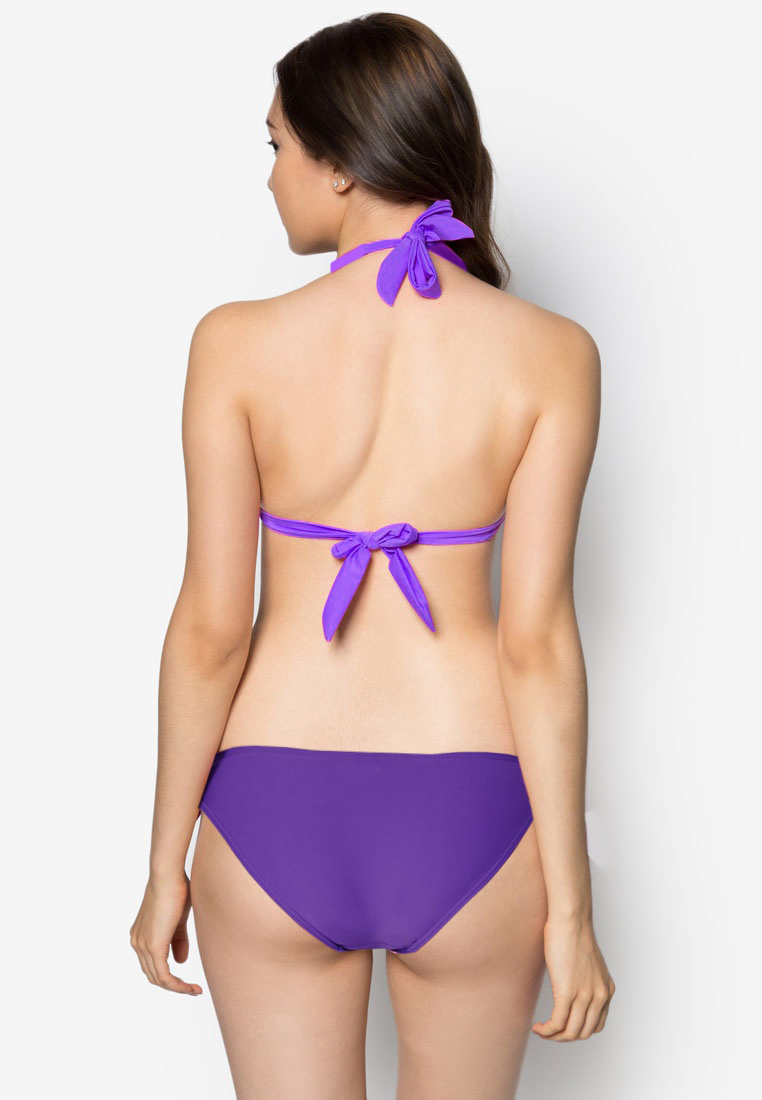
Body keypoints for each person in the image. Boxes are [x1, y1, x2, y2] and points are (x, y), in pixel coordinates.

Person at [129, 12, 615, 1098]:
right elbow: (536, 642)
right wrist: (572, 910)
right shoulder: (554, 355)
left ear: (341, 164)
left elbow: (212, 630)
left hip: (270, 806)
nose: (270, 176)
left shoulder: (233, 344)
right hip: (474, 810)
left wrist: (164, 862)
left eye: (277, 145)